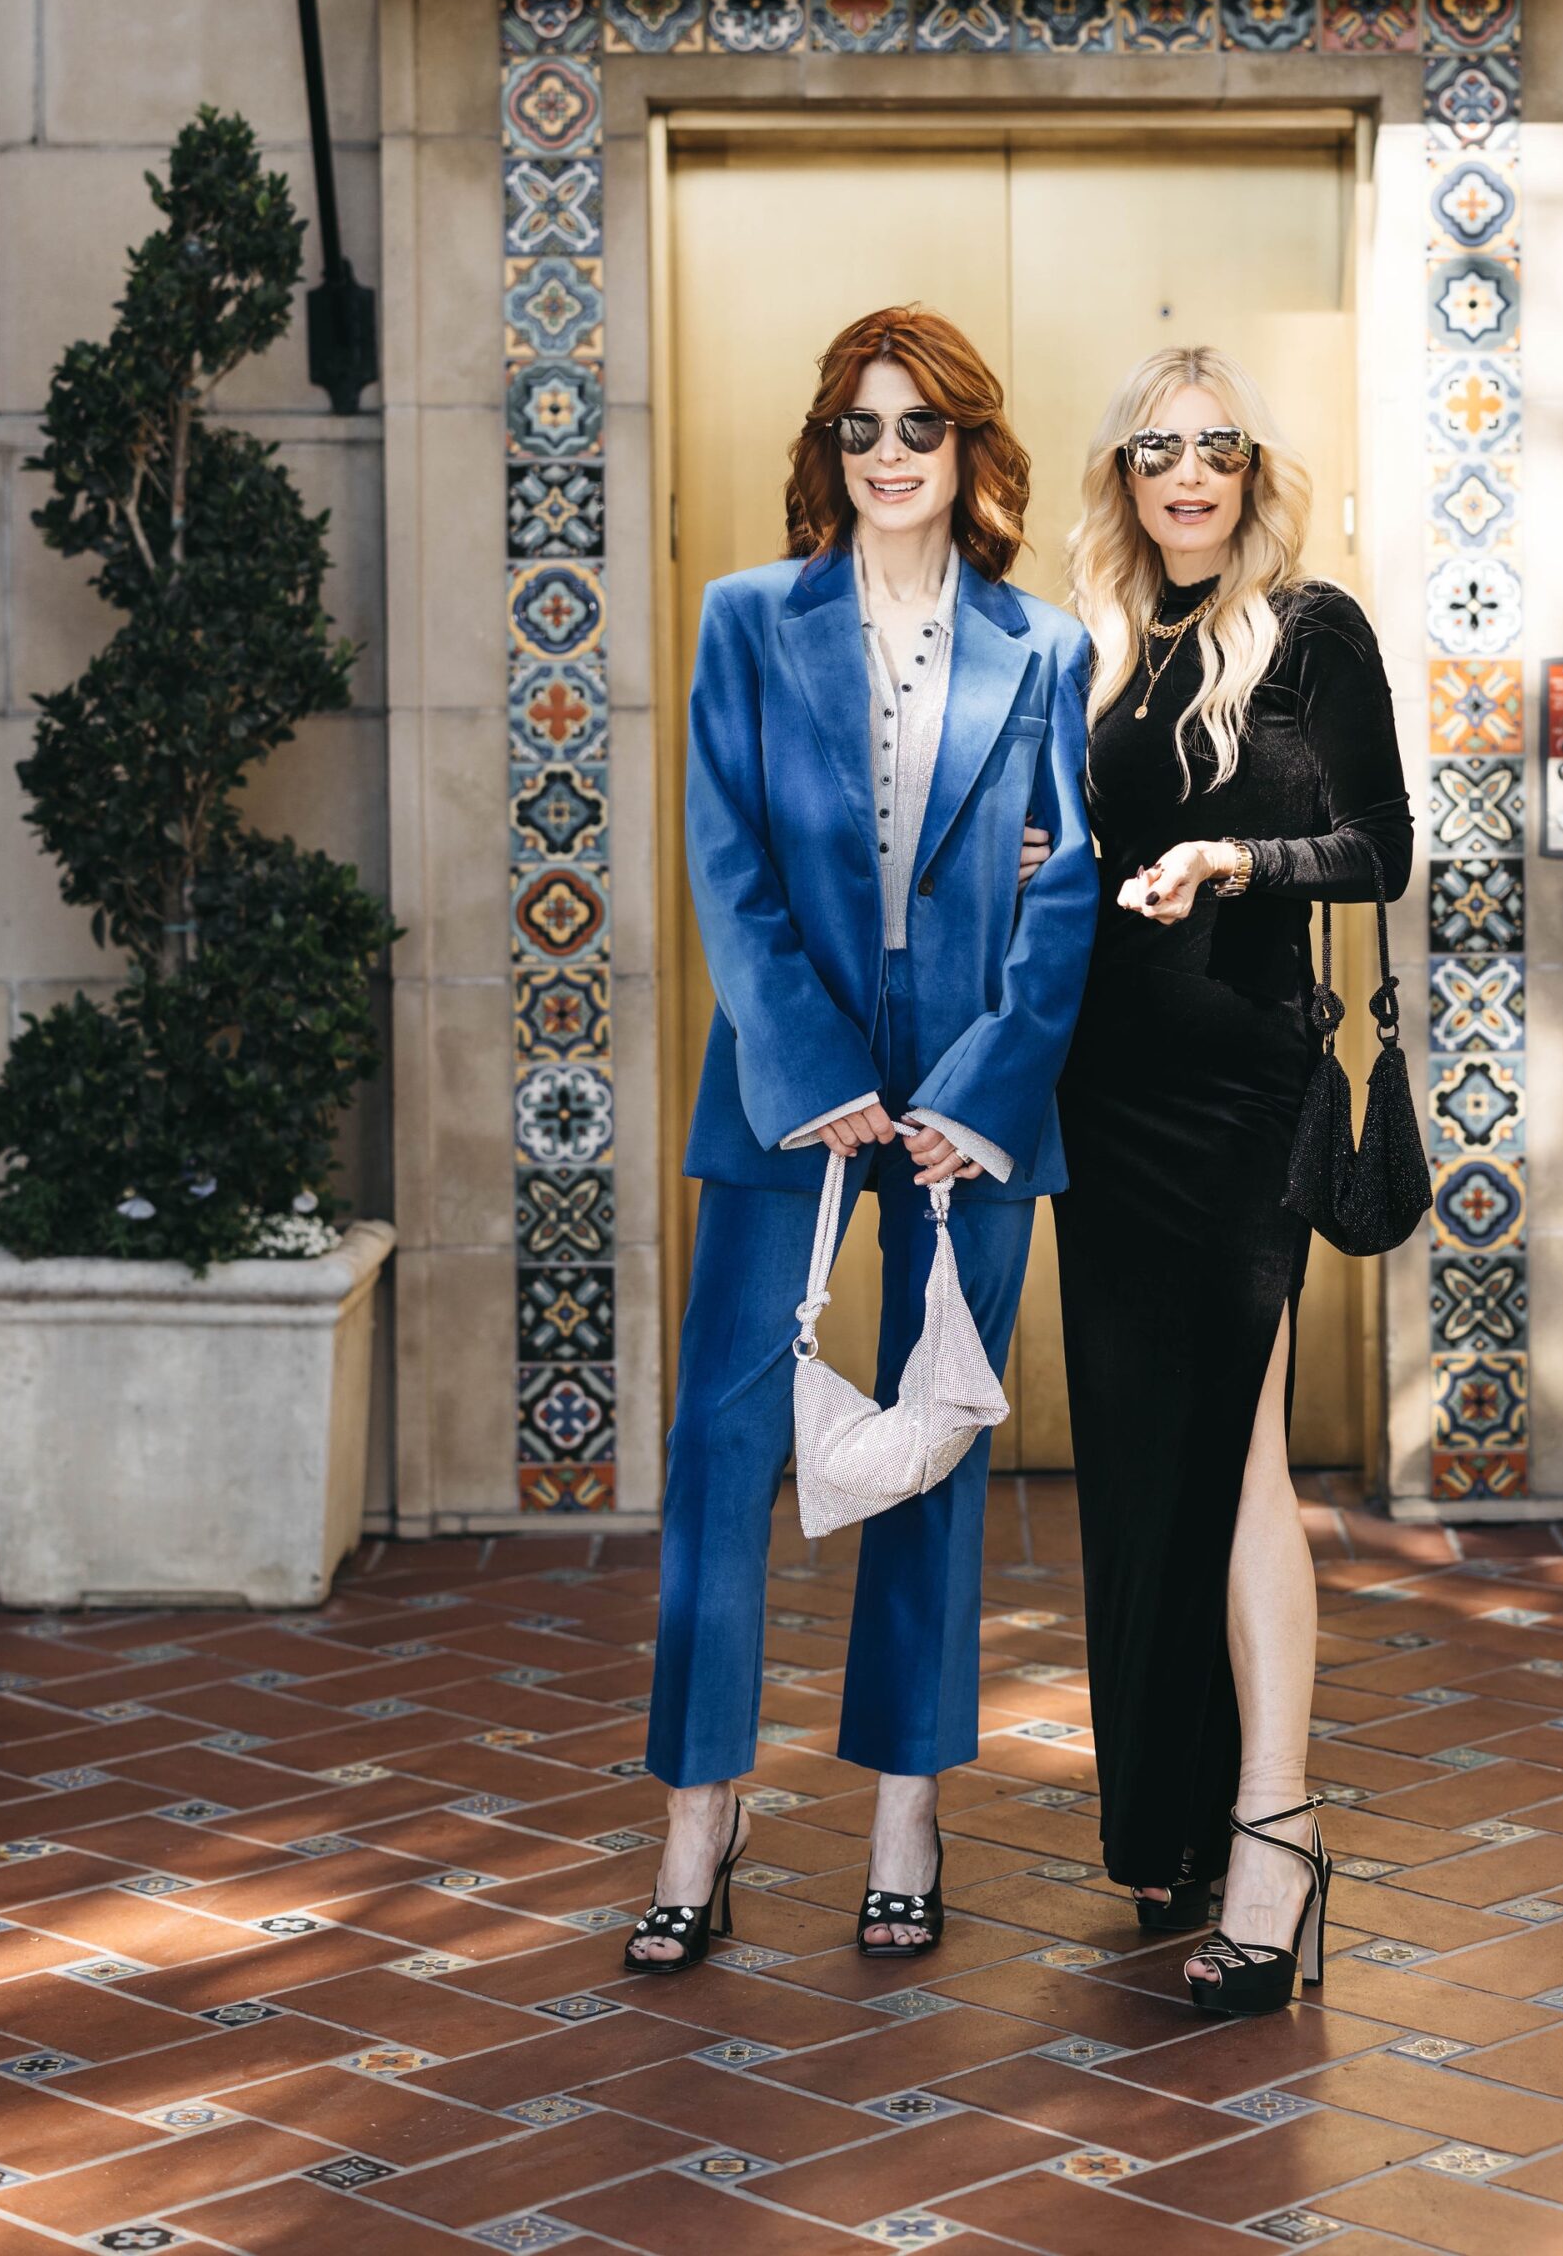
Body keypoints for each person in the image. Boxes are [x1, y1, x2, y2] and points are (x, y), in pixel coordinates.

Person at [632, 304, 1096, 1973]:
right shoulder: (747, 622)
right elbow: (723, 853)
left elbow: (1065, 886)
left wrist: (982, 1094)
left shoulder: (1041, 644)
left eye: (918, 427)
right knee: (721, 1453)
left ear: (969, 447)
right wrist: (808, 1059)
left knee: (928, 1448)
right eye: (860, 429)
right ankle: (701, 1814)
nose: (889, 455)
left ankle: (907, 1810)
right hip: (790, 1079)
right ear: (827, 452)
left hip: (972, 1090)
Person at [1055, 344, 1414, 2016]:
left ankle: (1275, 1836)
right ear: (1122, 477)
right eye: (1154, 450)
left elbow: (1379, 849)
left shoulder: (1312, 627)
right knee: (1141, 1470)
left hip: (1241, 1090)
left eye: (1215, 448)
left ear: (1251, 470)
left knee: (1246, 1452)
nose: (1186, 476)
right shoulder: (1102, 655)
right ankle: (1171, 1829)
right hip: (1102, 1094)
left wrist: (1231, 856)